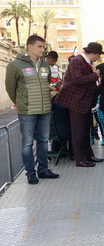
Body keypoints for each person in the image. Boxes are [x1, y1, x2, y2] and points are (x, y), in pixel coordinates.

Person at [5, 35, 59, 184]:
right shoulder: (15, 65)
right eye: (40, 46)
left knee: (43, 141)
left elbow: (47, 83)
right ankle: (30, 173)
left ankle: (43, 169)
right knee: (27, 143)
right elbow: (10, 88)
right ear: (30, 47)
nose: (43, 49)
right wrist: (21, 103)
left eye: (44, 47)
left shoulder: (45, 65)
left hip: (45, 110)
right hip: (27, 111)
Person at [54, 42, 104, 167]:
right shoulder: (77, 61)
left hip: (84, 103)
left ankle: (88, 156)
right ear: (91, 53)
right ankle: (80, 159)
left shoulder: (85, 62)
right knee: (78, 132)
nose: (98, 58)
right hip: (76, 102)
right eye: (98, 55)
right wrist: (95, 75)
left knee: (85, 131)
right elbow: (78, 80)